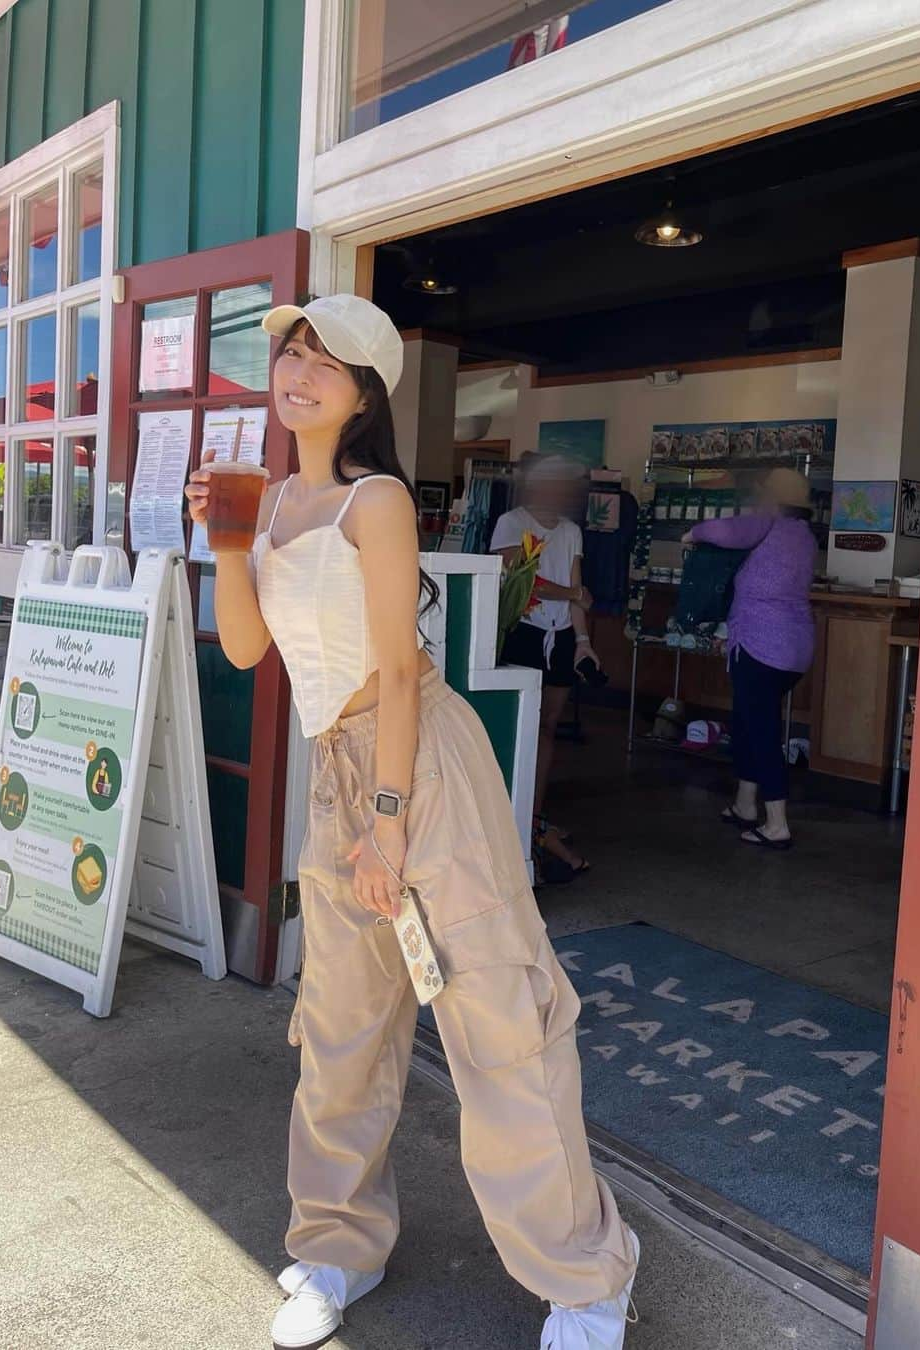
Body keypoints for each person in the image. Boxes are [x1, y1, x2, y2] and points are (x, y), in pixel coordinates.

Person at [185, 295, 639, 1350]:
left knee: (497, 1025)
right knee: (341, 1028)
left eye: (323, 360)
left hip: (418, 765)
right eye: (291, 353)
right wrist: (229, 539)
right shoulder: (278, 496)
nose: (297, 371)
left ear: (363, 392)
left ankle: (587, 1276)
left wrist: (389, 822)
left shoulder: (375, 500)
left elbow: (396, 667)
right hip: (333, 768)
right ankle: (337, 1247)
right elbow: (250, 651)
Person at [684, 467, 816, 850]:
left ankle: (777, 824)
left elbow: (724, 531)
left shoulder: (767, 525)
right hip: (794, 647)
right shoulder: (804, 536)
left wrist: (692, 533)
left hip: (762, 645)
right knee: (745, 722)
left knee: (760, 732)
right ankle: (745, 804)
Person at [492, 454, 597, 880]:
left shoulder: (571, 531)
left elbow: (578, 595)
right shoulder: (511, 522)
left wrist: (584, 641)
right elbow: (524, 577)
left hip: (560, 636)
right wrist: (573, 593)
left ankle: (535, 814)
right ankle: (513, 811)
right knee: (524, 725)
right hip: (524, 629)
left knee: (549, 725)